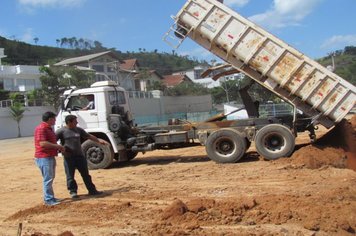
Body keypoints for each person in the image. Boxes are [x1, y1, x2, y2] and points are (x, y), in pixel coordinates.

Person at [55, 115, 108, 199]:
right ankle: (73, 192)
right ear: (69, 122)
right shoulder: (61, 131)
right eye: (75, 121)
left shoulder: (78, 130)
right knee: (70, 176)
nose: (77, 122)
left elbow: (88, 136)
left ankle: (92, 190)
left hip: (80, 156)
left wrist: (98, 141)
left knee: (86, 175)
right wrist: (59, 148)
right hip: (69, 157)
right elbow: (53, 140)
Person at [34, 111, 65, 206]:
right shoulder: (42, 128)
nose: (55, 120)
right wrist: (58, 146)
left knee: (50, 178)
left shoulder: (48, 128)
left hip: (49, 156)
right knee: (48, 178)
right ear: (50, 119)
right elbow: (42, 143)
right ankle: (48, 199)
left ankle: (50, 197)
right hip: (44, 157)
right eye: (54, 119)